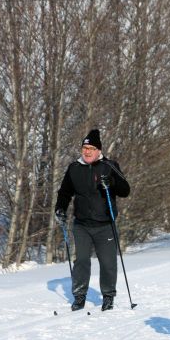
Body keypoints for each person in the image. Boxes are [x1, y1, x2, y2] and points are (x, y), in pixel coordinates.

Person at [54, 129, 131, 312]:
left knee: (107, 262)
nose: (87, 151)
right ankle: (79, 295)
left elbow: (125, 190)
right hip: (82, 225)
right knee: (81, 260)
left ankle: (108, 296)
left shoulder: (109, 166)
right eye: (84, 148)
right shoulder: (74, 168)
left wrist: (111, 183)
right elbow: (64, 192)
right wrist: (60, 209)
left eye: (91, 148)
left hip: (105, 225)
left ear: (99, 150)